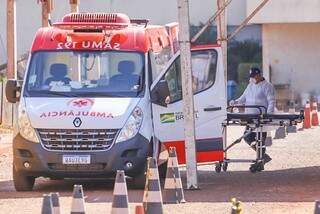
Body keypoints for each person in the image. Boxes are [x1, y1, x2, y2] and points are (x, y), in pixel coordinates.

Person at [230, 67, 275, 166]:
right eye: (251, 77)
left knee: (260, 140)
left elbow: (271, 101)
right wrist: (235, 102)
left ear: (259, 75)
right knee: (247, 137)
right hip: (249, 117)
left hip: (261, 117)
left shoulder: (267, 86)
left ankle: (260, 161)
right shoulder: (250, 86)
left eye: (254, 76)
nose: (252, 78)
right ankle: (263, 157)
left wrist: (268, 114)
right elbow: (243, 98)